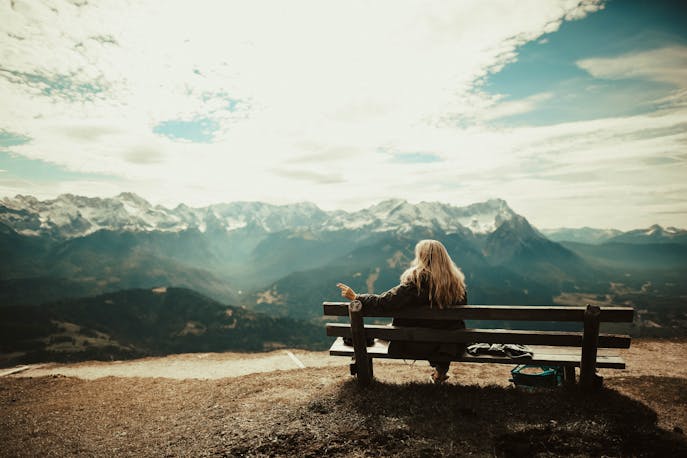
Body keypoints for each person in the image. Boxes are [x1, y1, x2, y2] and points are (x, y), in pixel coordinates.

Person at [336, 239, 467, 384]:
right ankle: (440, 373)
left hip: (412, 343)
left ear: (421, 258)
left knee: (379, 333)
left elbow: (385, 303)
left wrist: (356, 297)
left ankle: (361, 372)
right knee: (443, 329)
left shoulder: (416, 282)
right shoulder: (457, 285)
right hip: (447, 346)